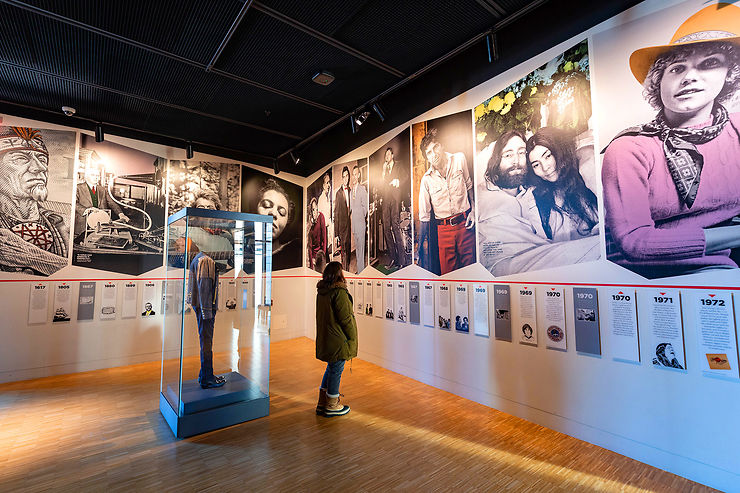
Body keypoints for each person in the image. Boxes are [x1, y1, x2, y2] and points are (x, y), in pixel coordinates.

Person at [602, 3, 740, 279]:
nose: (690, 77)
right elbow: (635, 243)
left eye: (709, 63)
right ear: (658, 82)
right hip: (651, 271)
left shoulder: (736, 127)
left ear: (729, 74)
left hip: (727, 256)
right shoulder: (630, 148)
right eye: (677, 69)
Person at [477, 130, 600, 276]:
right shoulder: (482, 194)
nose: (516, 161)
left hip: (542, 261)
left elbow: (582, 142)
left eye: (521, 153)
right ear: (496, 161)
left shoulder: (534, 191)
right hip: (499, 266)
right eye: (508, 155)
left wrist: (585, 155)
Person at [0, 127, 69, 276]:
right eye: (20, 158)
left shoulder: (60, 222)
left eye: (42, 159)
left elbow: (76, 273)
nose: (41, 167)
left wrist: (32, 257)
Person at [417, 128, 476, 274]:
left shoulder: (459, 159)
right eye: (429, 153)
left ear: (441, 145)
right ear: (427, 158)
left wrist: (474, 210)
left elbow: (469, 185)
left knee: (471, 272)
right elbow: (424, 216)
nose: (434, 154)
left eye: (435, 147)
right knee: (449, 276)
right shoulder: (426, 180)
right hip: (443, 231)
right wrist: (418, 249)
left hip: (465, 225)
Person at [526, 127, 599, 242]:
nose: (545, 168)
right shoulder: (540, 198)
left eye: (548, 156)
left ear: (559, 151)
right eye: (536, 165)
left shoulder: (585, 170)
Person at [314, 261, 356, 417]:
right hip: (338, 340)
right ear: (339, 274)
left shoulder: (322, 292)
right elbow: (346, 319)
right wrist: (352, 338)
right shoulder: (339, 293)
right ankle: (332, 404)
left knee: (332, 367)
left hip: (328, 337)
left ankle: (322, 402)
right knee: (336, 369)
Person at [188, 243, 226, 389]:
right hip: (205, 308)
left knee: (205, 341)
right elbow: (204, 288)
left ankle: (204, 374)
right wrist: (207, 311)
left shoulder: (199, 259)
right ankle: (207, 378)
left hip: (200, 307)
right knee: (207, 343)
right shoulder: (205, 261)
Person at [74, 164, 130, 237]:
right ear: (86, 176)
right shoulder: (78, 188)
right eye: (93, 175)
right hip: (83, 227)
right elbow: (74, 203)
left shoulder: (102, 189)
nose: (96, 177)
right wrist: (86, 210)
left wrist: (121, 214)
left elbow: (111, 203)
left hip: (101, 225)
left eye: (97, 175)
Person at [256, 178, 299, 271]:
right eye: (267, 205)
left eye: (282, 212)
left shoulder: (295, 256)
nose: (273, 213)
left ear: (288, 220)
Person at [380, 147, 406, 269]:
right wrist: (383, 172)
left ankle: (402, 261)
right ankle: (393, 259)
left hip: (395, 199)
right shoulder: (384, 168)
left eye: (389, 154)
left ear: (393, 155)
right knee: (386, 229)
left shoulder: (399, 165)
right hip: (385, 200)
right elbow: (381, 184)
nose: (387, 156)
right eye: (385, 155)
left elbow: (406, 176)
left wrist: (398, 181)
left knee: (395, 227)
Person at [350, 165, 369, 273]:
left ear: (359, 175)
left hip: (361, 225)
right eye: (353, 175)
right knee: (357, 250)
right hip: (355, 226)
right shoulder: (351, 191)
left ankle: (361, 272)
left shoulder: (362, 189)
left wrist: (358, 214)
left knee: (361, 251)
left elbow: (365, 208)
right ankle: (359, 270)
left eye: (356, 174)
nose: (354, 177)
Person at [334, 166, 352, 271]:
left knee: (348, 250)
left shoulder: (350, 191)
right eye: (344, 176)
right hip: (341, 228)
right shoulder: (338, 193)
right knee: (344, 252)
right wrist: (336, 234)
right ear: (342, 178)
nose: (345, 179)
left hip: (348, 226)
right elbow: (336, 213)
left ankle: (346, 270)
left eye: (347, 176)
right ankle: (345, 272)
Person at [307, 197, 326, 271]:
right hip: (314, 256)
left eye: (316, 209)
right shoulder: (310, 224)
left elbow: (324, 239)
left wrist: (323, 256)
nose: (315, 211)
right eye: (313, 210)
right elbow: (310, 247)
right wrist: (312, 264)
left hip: (321, 253)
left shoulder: (321, 217)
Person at [317, 172, 332, 260]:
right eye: (327, 183)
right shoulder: (321, 199)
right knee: (325, 253)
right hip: (323, 230)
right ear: (323, 185)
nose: (329, 185)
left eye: (329, 182)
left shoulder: (327, 198)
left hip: (327, 228)